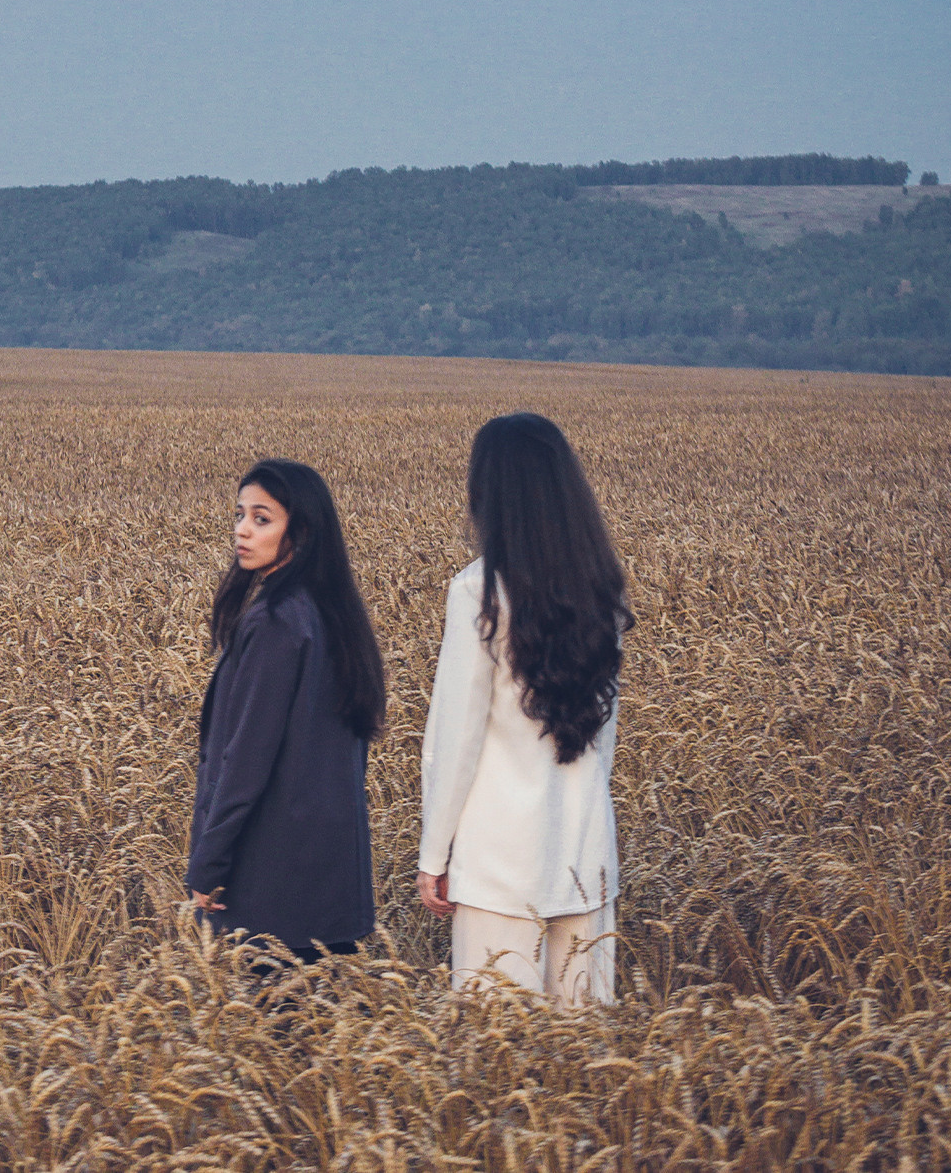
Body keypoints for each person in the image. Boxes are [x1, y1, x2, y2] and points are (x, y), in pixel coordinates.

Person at [416, 412, 632, 1005]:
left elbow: (456, 735)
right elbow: (603, 735)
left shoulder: (479, 590)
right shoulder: (603, 590)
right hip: (585, 859)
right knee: (584, 1065)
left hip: (498, 866)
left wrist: (435, 855)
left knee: (499, 1065)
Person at [186, 457, 386, 962]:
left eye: (262, 518)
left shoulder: (277, 622)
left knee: (273, 1034)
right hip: (328, 877)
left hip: (272, 887)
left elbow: (245, 760)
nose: (242, 531)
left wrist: (208, 865)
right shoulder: (329, 613)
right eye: (240, 515)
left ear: (301, 531)